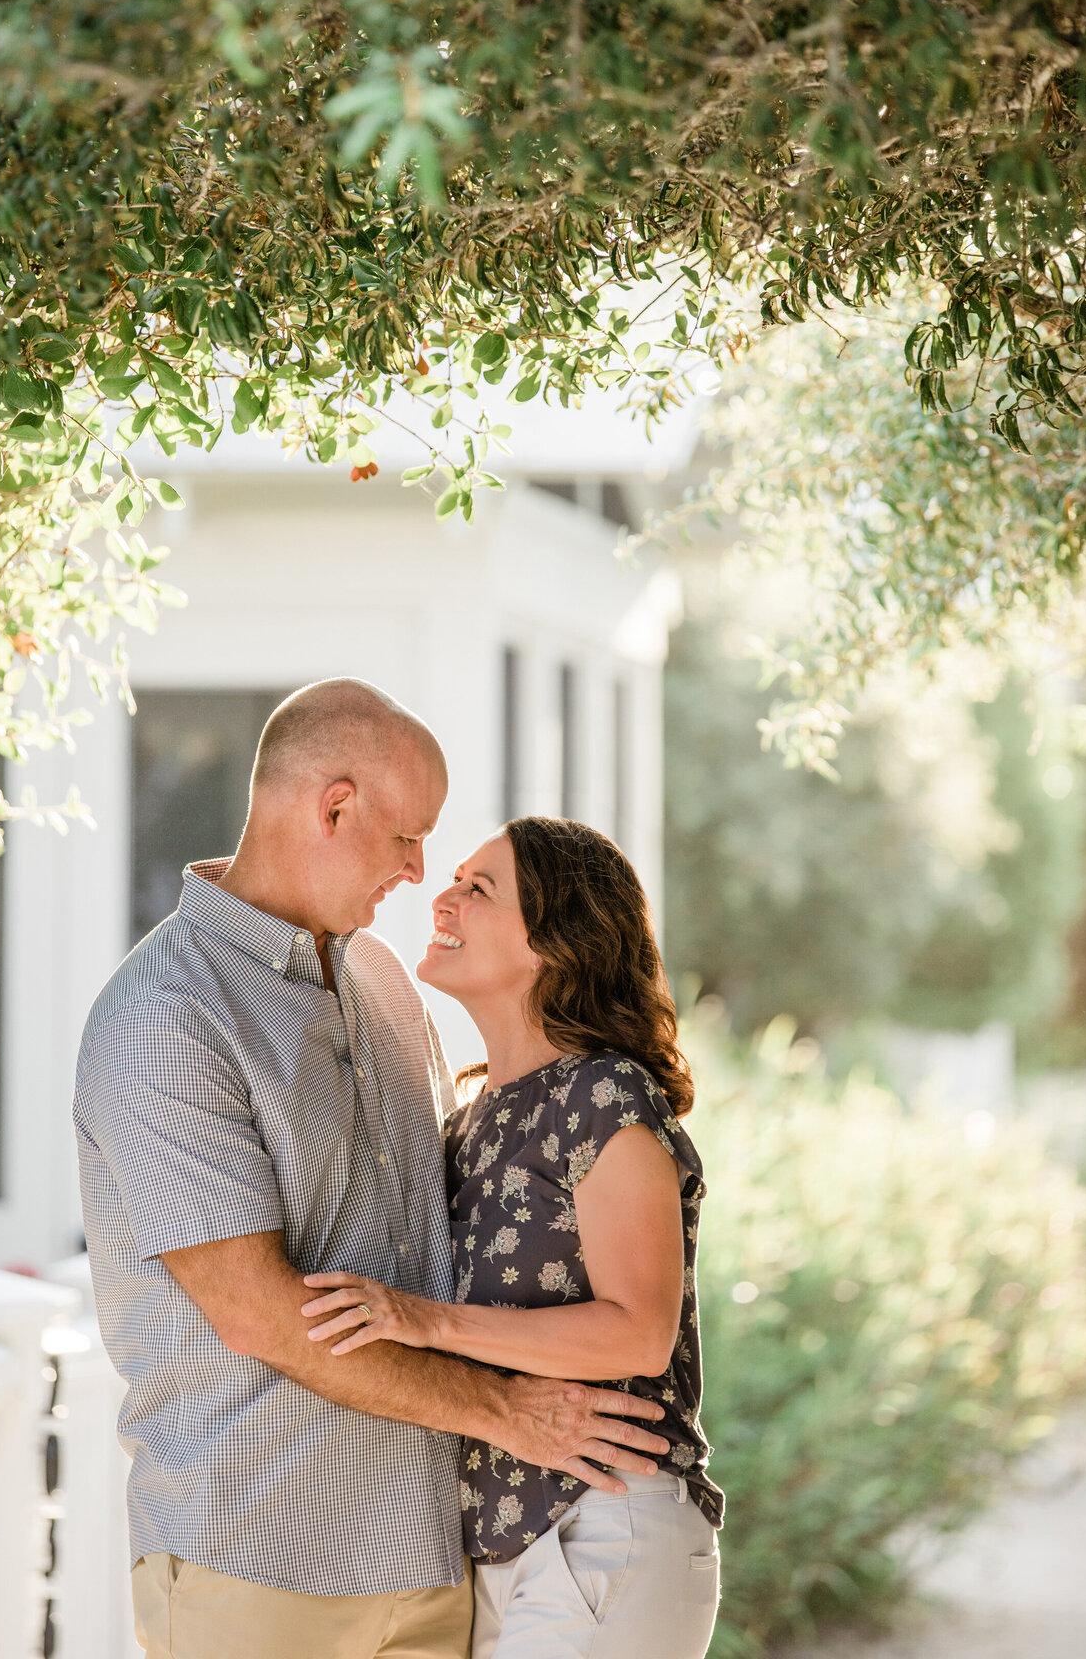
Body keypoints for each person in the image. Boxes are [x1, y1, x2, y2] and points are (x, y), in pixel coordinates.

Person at [74, 681, 670, 1659]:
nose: (420, 869)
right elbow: (256, 1312)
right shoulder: (166, 1017)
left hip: (431, 1563)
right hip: (257, 1563)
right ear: (335, 806)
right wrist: (508, 1411)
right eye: (407, 837)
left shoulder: (387, 987)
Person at [299, 815, 725, 1659]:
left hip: (604, 1523)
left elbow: (638, 1332)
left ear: (557, 943)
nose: (442, 898)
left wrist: (422, 1320)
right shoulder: (470, 1122)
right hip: (495, 1549)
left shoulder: (606, 1097)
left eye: (478, 889)